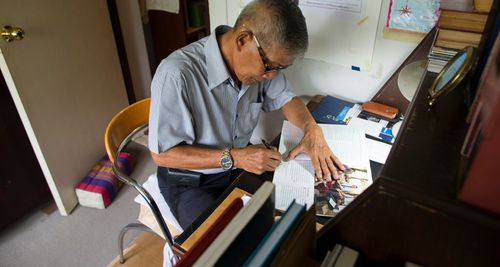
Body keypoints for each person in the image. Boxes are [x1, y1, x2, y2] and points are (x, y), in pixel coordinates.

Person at [148, 0, 345, 229]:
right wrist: (237, 158)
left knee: (302, 216)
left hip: (238, 167)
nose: (271, 76)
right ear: (243, 40)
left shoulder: (260, 66)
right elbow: (163, 155)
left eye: (279, 69)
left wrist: (313, 130)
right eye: (270, 66)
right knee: (226, 245)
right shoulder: (176, 75)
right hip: (191, 181)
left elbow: (287, 99)